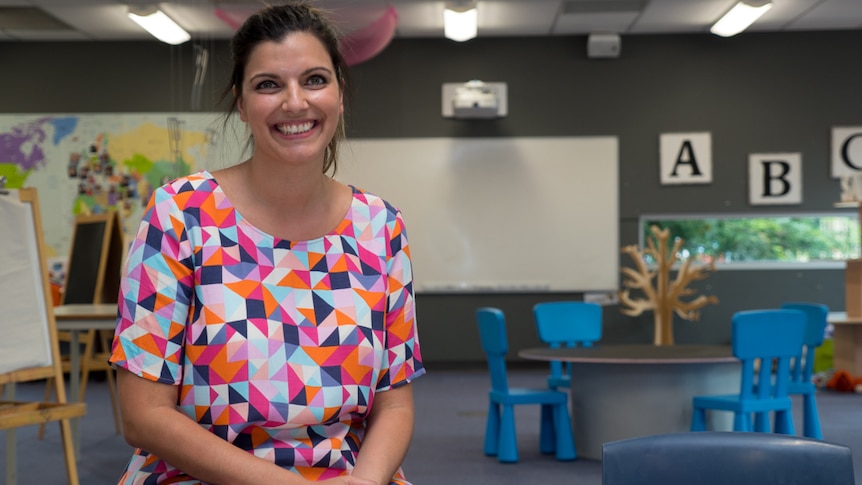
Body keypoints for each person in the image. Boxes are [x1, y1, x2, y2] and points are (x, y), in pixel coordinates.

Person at [108, 2, 425, 484]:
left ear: (340, 93)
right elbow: (142, 413)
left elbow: (395, 400)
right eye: (269, 84)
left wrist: (365, 481)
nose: (294, 102)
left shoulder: (380, 226)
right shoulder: (181, 214)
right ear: (241, 102)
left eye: (315, 79)